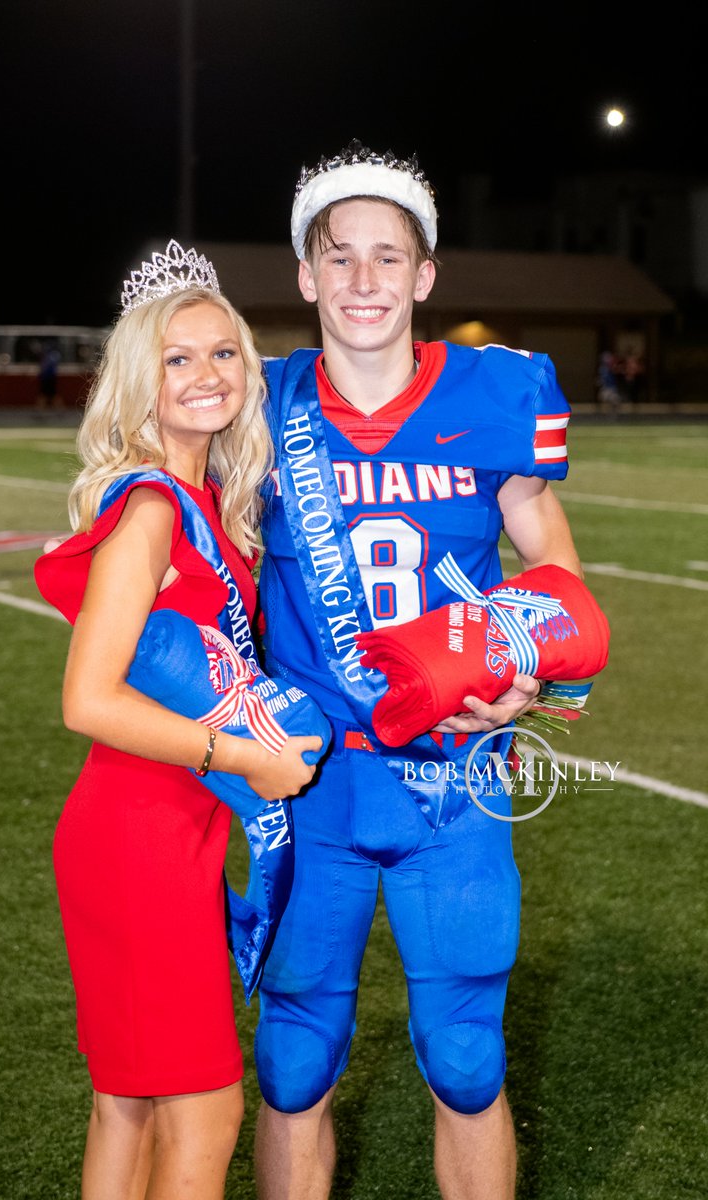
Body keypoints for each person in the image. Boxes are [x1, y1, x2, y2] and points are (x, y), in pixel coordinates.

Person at [252, 141, 608, 1200]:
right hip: (309, 781)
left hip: (451, 780)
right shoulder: (258, 408)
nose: (364, 280)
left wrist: (532, 676)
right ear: (307, 277)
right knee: (292, 1060)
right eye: (340, 258)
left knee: (463, 1059)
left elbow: (551, 568)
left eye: (387, 257)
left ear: (423, 277)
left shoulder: (495, 398)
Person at [34, 241, 323, 1200]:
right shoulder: (154, 507)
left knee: (129, 1104)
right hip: (141, 835)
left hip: (159, 832)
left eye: (224, 353)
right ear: (137, 380)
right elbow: (88, 698)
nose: (208, 376)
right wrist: (243, 754)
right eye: (177, 358)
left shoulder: (202, 498)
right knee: (205, 1106)